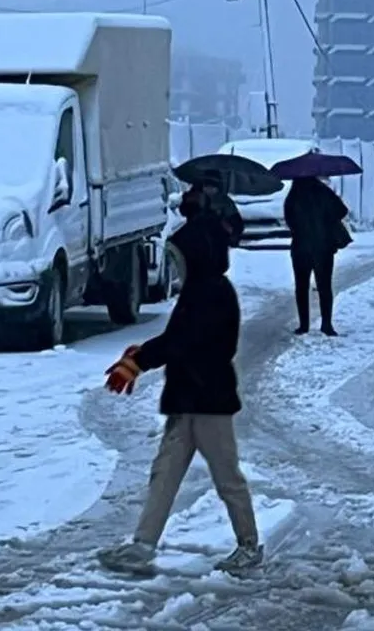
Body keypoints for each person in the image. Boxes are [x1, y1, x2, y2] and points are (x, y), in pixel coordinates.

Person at [96, 195, 262, 575]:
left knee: (227, 478)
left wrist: (138, 361)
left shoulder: (213, 293)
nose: (175, 266)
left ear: (197, 255)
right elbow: (180, 338)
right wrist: (143, 355)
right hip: (187, 397)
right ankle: (142, 545)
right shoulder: (199, 291)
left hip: (209, 401)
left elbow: (182, 341)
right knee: (164, 475)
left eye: (178, 258)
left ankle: (249, 546)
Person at [283, 176, 349, 336]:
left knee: (301, 286)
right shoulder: (323, 191)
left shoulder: (294, 195)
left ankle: (303, 325)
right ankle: (326, 324)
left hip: (300, 247)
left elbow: (288, 218)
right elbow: (342, 210)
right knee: (324, 286)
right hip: (323, 246)